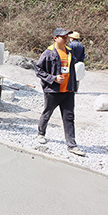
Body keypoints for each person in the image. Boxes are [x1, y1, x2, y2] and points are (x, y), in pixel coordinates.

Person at [35, 28, 85, 156]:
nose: (66, 39)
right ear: (55, 38)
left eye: (67, 37)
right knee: (47, 113)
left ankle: (72, 145)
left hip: (68, 90)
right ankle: (41, 133)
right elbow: (38, 70)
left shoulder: (69, 52)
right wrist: (53, 78)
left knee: (69, 118)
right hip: (53, 90)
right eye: (63, 37)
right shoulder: (48, 53)